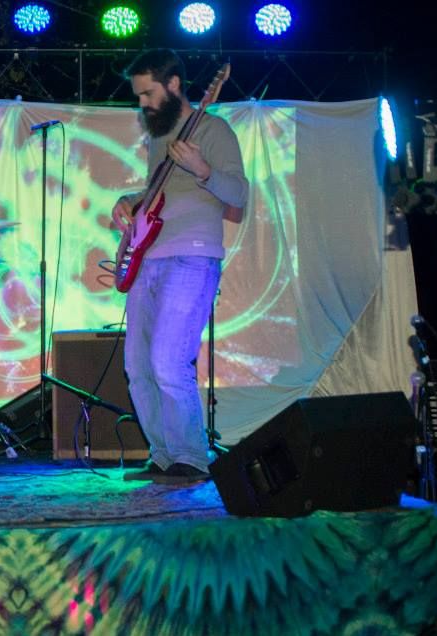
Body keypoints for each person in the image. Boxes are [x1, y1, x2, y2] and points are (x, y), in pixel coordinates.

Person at [112, 49, 248, 485]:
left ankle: (191, 457)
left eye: (148, 93)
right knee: (138, 367)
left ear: (173, 85)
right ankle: (164, 455)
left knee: (168, 362)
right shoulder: (159, 138)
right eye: (138, 96)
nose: (142, 104)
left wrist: (202, 168)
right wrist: (130, 201)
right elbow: (159, 193)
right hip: (148, 259)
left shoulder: (214, 130)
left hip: (192, 256)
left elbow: (239, 195)